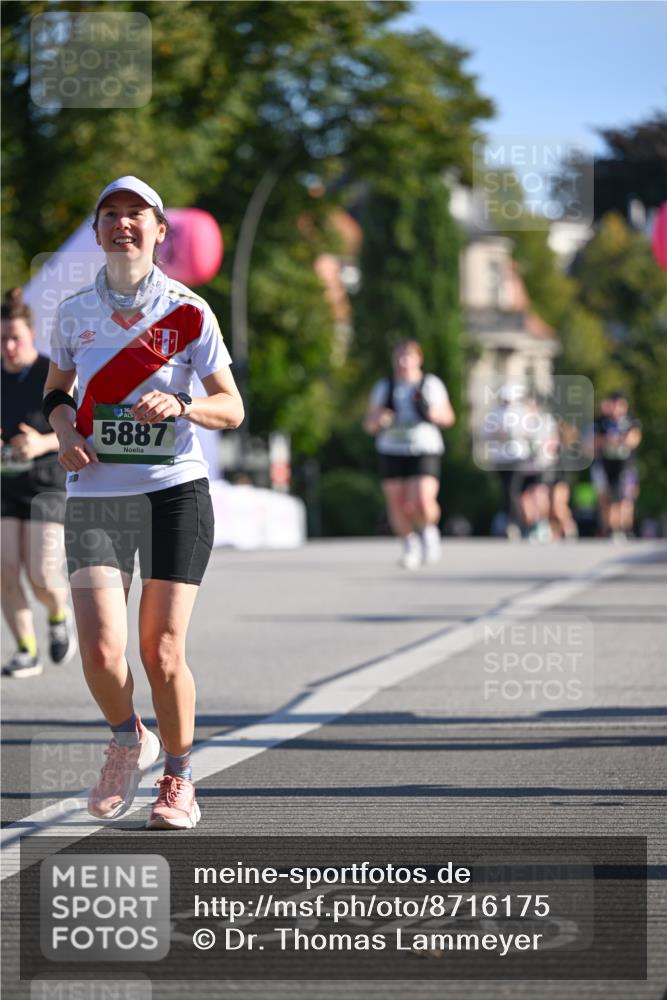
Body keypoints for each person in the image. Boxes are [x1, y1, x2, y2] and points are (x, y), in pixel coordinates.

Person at [44, 176, 244, 829]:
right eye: (111, 215)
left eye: (137, 215)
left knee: (159, 650)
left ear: (161, 231)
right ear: (98, 231)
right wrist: (67, 431)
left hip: (171, 494)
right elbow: (56, 394)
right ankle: (129, 740)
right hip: (97, 495)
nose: (123, 224)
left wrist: (183, 403)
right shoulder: (73, 312)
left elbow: (231, 407)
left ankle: (180, 779)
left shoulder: (189, 313)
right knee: (101, 651)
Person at [1, 288, 75, 678]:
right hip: (5, 487)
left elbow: (78, 426)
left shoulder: (52, 372)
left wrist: (41, 442)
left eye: (16, 338)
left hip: (47, 483)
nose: (10, 347)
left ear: (31, 336)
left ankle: (58, 613)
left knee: (41, 572)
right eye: (2, 339)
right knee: (5, 569)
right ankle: (26, 650)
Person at [364, 340, 455, 568]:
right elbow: (369, 424)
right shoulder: (385, 387)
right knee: (397, 503)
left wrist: (434, 415)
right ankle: (410, 544)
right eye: (399, 357)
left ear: (418, 359)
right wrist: (379, 420)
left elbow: (448, 417)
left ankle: (428, 529)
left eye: (408, 356)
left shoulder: (430, 384)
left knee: (422, 500)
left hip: (424, 448)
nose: (404, 362)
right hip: (392, 448)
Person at [591, 392, 641, 539]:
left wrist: (616, 439)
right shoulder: (601, 422)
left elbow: (633, 440)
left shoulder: (631, 421)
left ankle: (625, 527)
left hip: (626, 465)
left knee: (626, 497)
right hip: (607, 465)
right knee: (609, 498)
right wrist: (610, 440)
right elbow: (594, 441)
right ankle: (612, 529)